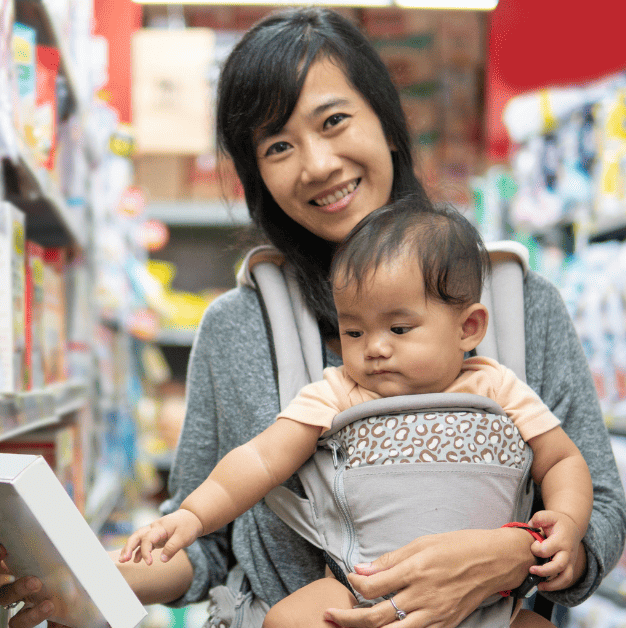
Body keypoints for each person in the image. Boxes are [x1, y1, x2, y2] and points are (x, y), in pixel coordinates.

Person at [0, 8, 626, 628]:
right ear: (256, 174)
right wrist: (91, 575)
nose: (318, 164)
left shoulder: (518, 302)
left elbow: (597, 506)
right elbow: (208, 544)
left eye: (335, 120)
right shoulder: (237, 328)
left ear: (387, 122)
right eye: (279, 145)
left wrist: (511, 553)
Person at [117, 198, 592, 628]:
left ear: (468, 327)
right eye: (354, 332)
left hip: (485, 602)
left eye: (399, 329)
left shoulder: (499, 387)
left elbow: (562, 460)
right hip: (357, 592)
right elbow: (261, 459)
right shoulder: (339, 391)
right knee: (287, 620)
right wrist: (193, 515)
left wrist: (566, 523)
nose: (374, 349)